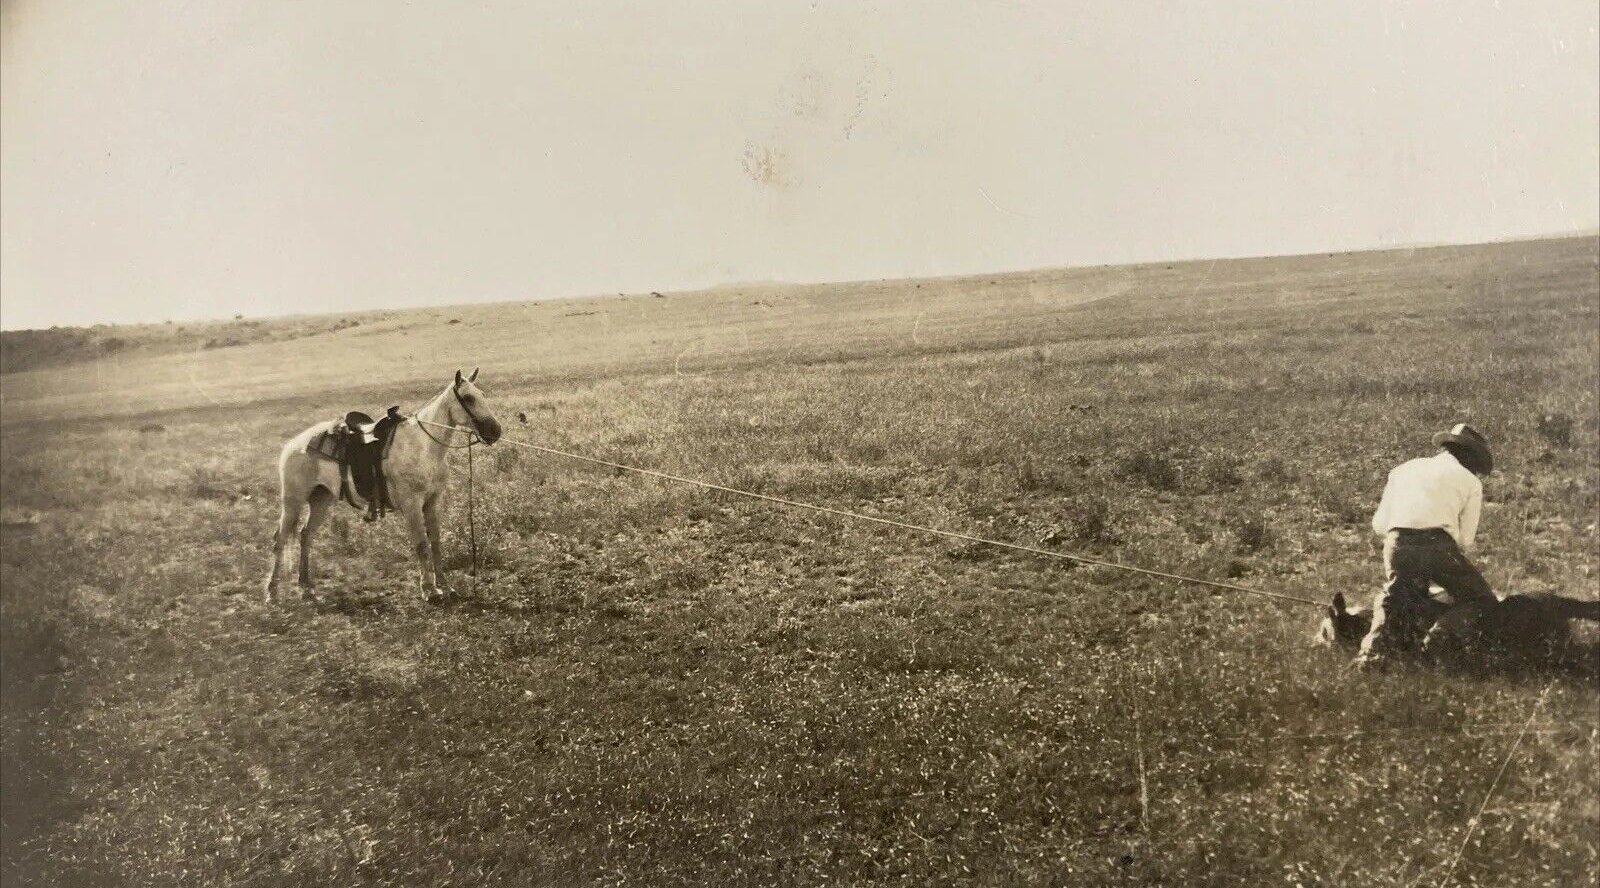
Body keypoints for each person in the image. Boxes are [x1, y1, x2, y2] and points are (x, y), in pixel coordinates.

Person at [1356, 423, 1496, 667]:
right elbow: (1465, 540)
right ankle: (1438, 639)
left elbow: (1379, 524)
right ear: (1471, 457)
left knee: (1395, 599)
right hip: (1438, 546)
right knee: (1480, 599)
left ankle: (1369, 656)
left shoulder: (1403, 470)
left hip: (1397, 543)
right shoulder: (1470, 481)